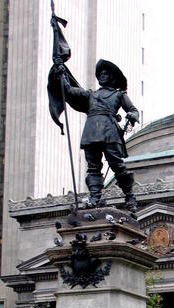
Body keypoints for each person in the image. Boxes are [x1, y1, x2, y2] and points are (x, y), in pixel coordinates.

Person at [55, 58, 139, 212]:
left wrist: (133, 116)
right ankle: (95, 197)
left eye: (105, 73)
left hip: (109, 130)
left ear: (112, 77)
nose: (101, 76)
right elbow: (69, 91)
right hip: (92, 130)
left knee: (117, 164)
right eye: (100, 74)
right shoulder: (91, 95)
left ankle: (129, 195)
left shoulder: (119, 95)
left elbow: (133, 109)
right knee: (93, 166)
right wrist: (62, 74)